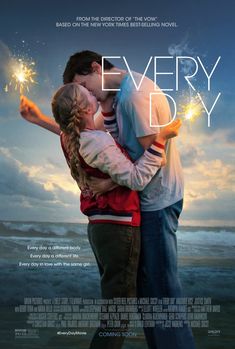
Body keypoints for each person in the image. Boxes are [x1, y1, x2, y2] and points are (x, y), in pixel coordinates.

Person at [20, 50, 196, 349]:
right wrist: (40, 120)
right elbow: (81, 132)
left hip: (155, 202)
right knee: (146, 294)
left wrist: (108, 181)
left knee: (159, 294)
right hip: (139, 205)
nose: (89, 98)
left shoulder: (132, 98)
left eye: (86, 89)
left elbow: (150, 161)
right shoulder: (112, 99)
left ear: (95, 69)